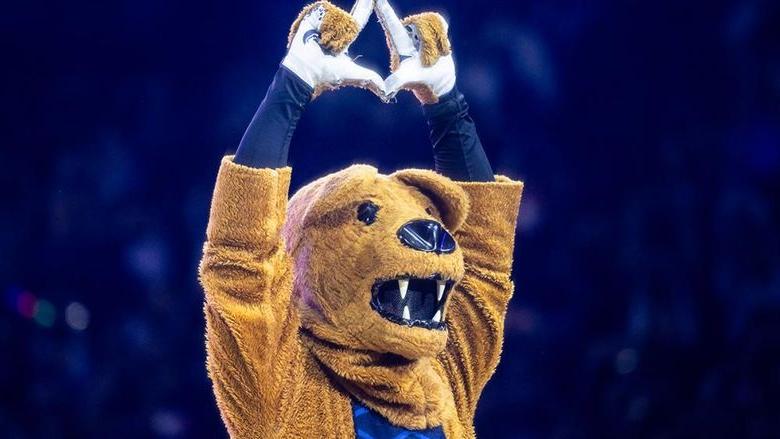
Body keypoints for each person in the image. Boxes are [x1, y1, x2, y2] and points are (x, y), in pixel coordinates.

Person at [199, 1, 524, 437]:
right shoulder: (286, 391)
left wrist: (446, 100)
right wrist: (293, 83)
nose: (433, 238)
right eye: (368, 218)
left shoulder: (439, 379)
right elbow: (241, 269)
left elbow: (481, 268)